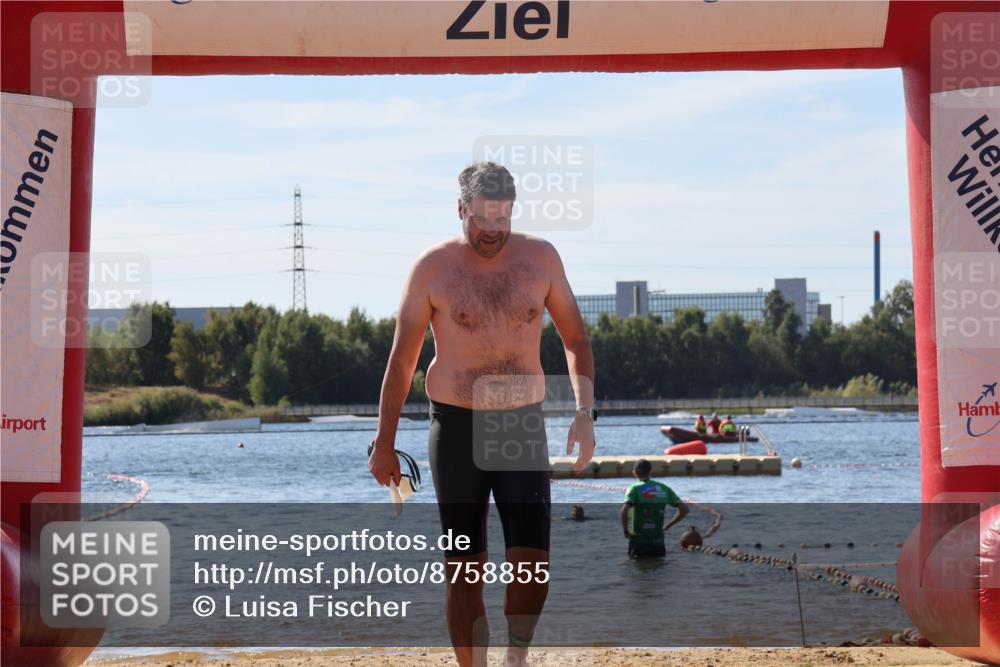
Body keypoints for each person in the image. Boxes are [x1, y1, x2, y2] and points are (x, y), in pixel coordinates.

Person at [368, 161, 597, 667]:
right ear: (461, 209)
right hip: (455, 428)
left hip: (519, 423)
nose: (492, 231)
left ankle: (515, 658)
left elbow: (575, 338)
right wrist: (384, 443)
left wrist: (585, 412)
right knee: (463, 569)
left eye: (503, 219)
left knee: (532, 564)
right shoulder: (433, 267)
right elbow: (402, 360)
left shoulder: (541, 258)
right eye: (482, 220)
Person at [620, 459, 689, 559]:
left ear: (634, 473)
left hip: (639, 542)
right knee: (658, 568)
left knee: (638, 569)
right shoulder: (664, 488)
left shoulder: (634, 488)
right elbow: (684, 510)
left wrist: (626, 531)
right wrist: (666, 526)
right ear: (650, 471)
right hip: (658, 543)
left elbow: (623, 512)